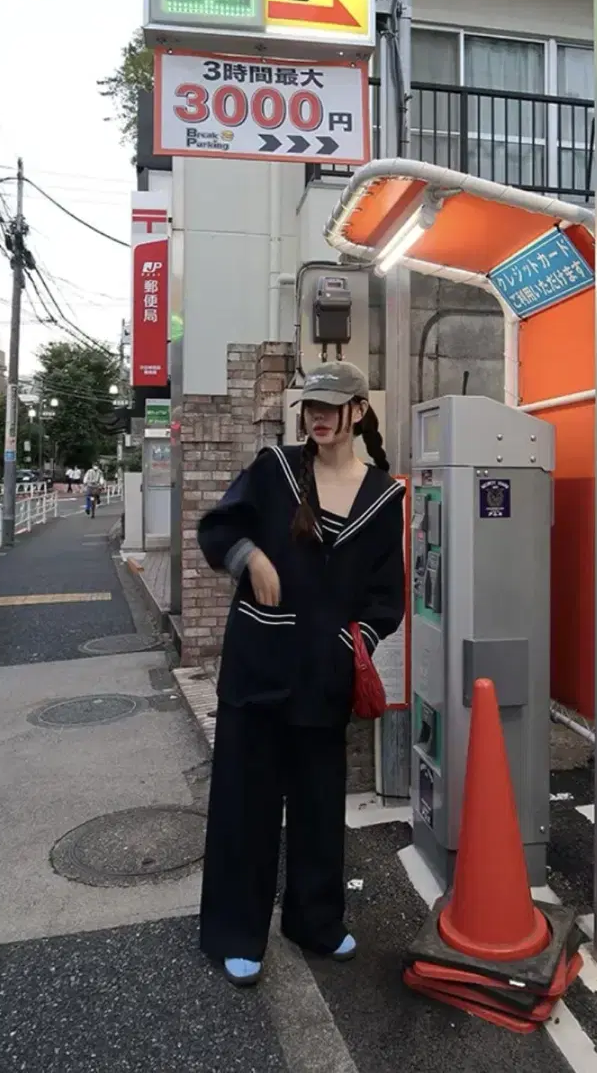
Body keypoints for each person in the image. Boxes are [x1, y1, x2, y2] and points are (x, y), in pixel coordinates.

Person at [197, 361, 405, 988]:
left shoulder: (384, 497)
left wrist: (349, 643)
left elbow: (385, 600)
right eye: (311, 405)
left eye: (331, 406)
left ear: (358, 412)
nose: (318, 416)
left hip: (323, 677)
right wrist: (252, 557)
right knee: (246, 804)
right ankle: (237, 932)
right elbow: (219, 527)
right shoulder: (275, 469)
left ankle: (314, 921)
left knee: (318, 807)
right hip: (257, 668)